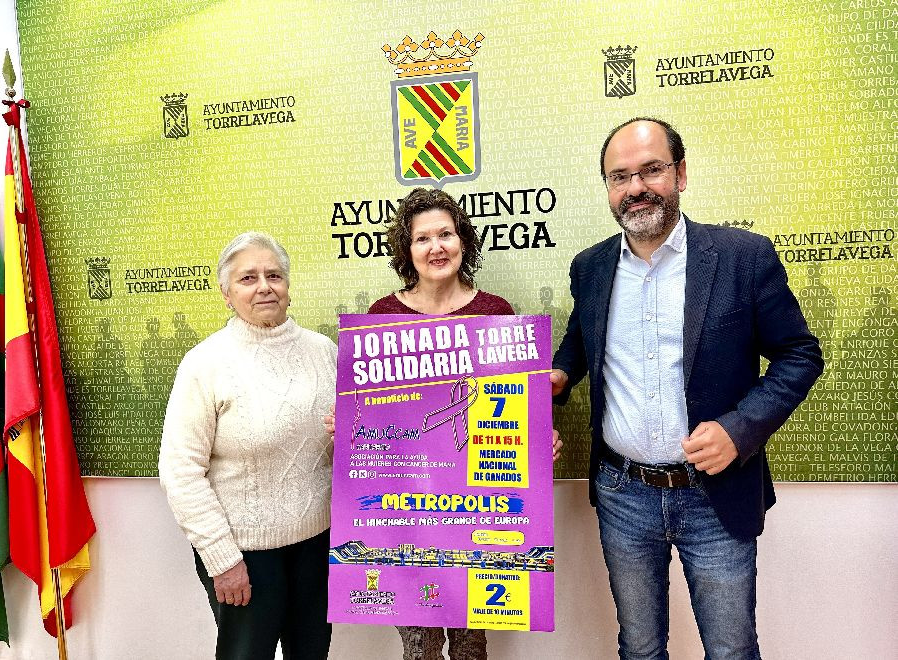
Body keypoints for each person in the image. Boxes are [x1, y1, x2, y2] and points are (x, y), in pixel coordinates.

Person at [551, 118, 823, 659]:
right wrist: (559, 376)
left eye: (650, 170)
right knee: (640, 648)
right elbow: (580, 344)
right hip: (623, 494)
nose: (635, 188)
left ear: (680, 174)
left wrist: (739, 430)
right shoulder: (590, 267)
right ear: (608, 188)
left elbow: (799, 355)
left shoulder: (743, 257)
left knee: (731, 650)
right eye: (620, 176)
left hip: (714, 495)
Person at [325, 187, 561, 660]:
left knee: (472, 646)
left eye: (446, 234)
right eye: (423, 238)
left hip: (481, 509)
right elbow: (377, 412)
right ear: (406, 249)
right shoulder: (382, 316)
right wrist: (350, 425)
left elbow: (515, 403)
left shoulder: (496, 313)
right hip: (406, 514)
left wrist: (539, 439)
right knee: (421, 646)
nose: (436, 247)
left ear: (462, 241)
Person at [159, 232, 337, 660]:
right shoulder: (204, 364)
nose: (264, 287)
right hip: (245, 556)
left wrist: (350, 435)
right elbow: (181, 471)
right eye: (247, 278)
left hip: (319, 545)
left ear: (288, 285)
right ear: (227, 294)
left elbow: (350, 448)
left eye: (274, 275)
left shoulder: (325, 352)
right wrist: (222, 559)